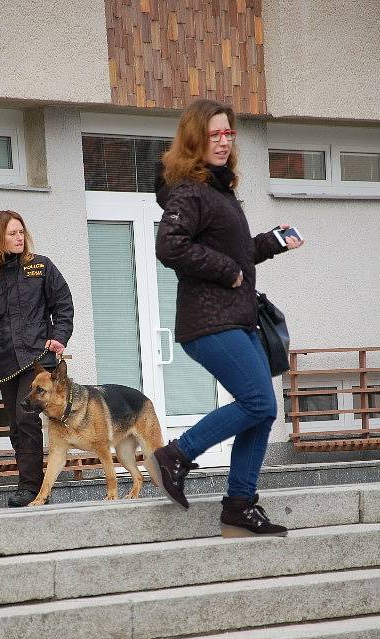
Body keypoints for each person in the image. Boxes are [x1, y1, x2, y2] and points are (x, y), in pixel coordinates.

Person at [151, 99, 304, 537]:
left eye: (228, 134)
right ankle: (176, 454)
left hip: (237, 318)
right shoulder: (189, 190)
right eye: (214, 134)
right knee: (256, 401)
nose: (223, 141)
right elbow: (170, 246)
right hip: (208, 321)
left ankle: (239, 505)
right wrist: (227, 270)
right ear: (195, 140)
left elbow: (236, 255)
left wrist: (271, 243)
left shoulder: (219, 192)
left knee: (263, 410)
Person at [0, 210, 74, 507]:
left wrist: (59, 336)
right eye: (12, 233)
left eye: (21, 232)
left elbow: (63, 304)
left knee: (26, 417)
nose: (19, 238)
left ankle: (32, 489)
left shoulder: (42, 267)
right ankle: (30, 484)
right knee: (15, 424)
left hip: (38, 359)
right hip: (7, 362)